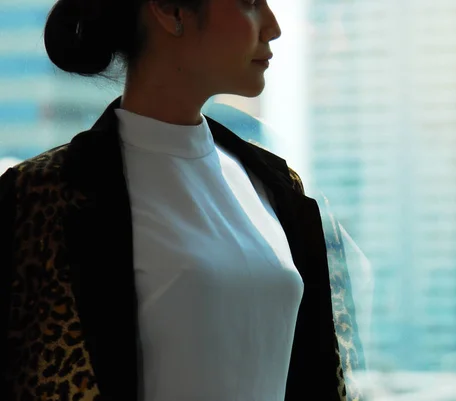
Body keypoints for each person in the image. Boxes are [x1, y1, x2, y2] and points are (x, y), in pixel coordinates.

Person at [0, 0, 364, 400]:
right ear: (171, 10)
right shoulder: (43, 196)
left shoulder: (279, 188)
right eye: (249, 3)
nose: (273, 26)